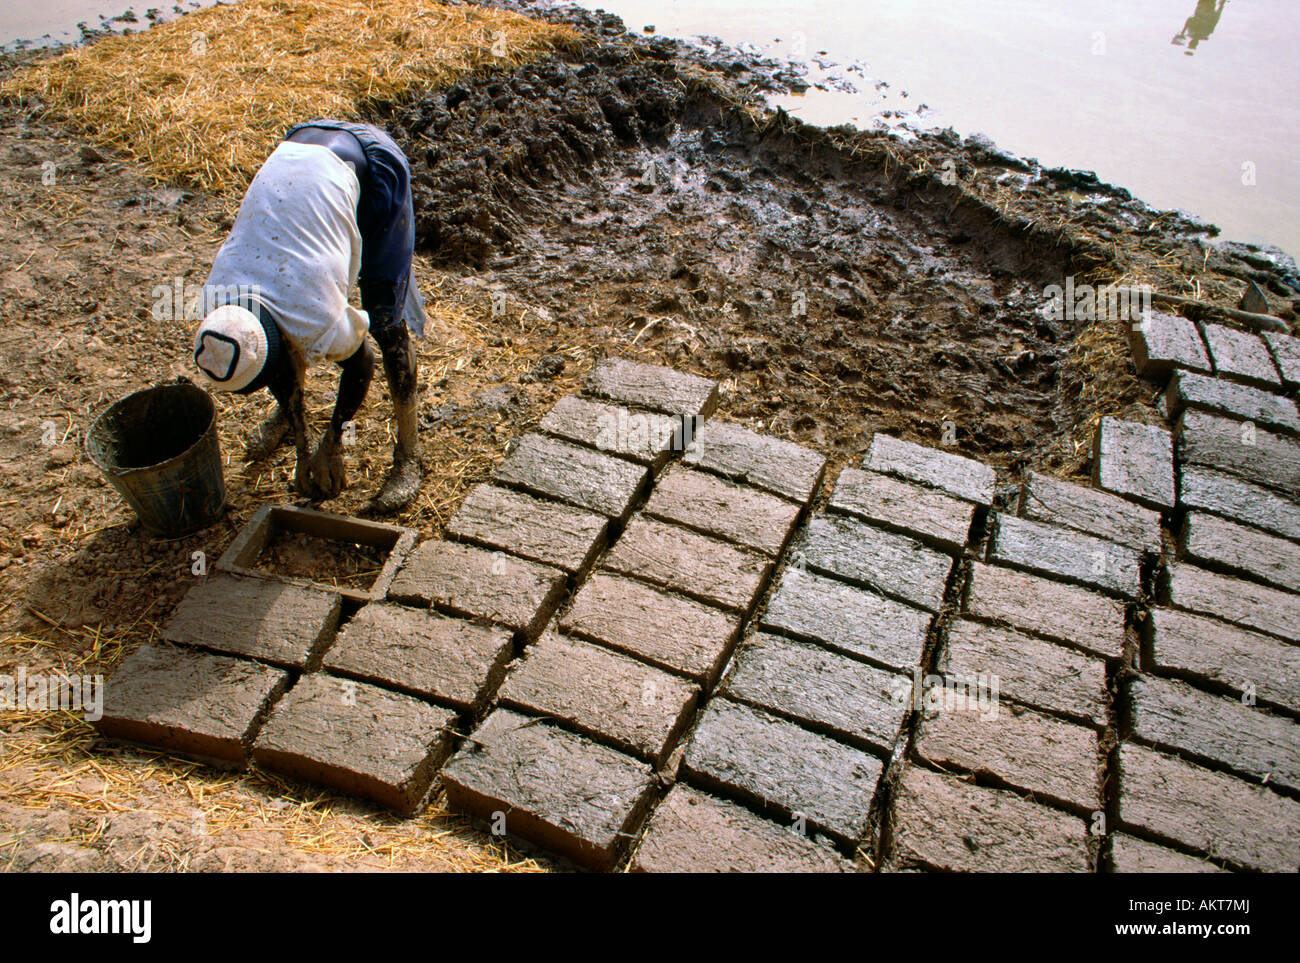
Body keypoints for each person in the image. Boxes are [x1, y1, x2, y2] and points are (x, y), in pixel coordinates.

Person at [191, 118, 426, 513]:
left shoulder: (315, 318)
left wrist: (332, 443)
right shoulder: (218, 304)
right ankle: (289, 422)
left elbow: (361, 363)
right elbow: (270, 355)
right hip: (300, 150)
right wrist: (304, 447)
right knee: (270, 357)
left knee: (386, 324)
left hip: (371, 165)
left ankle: (410, 454)